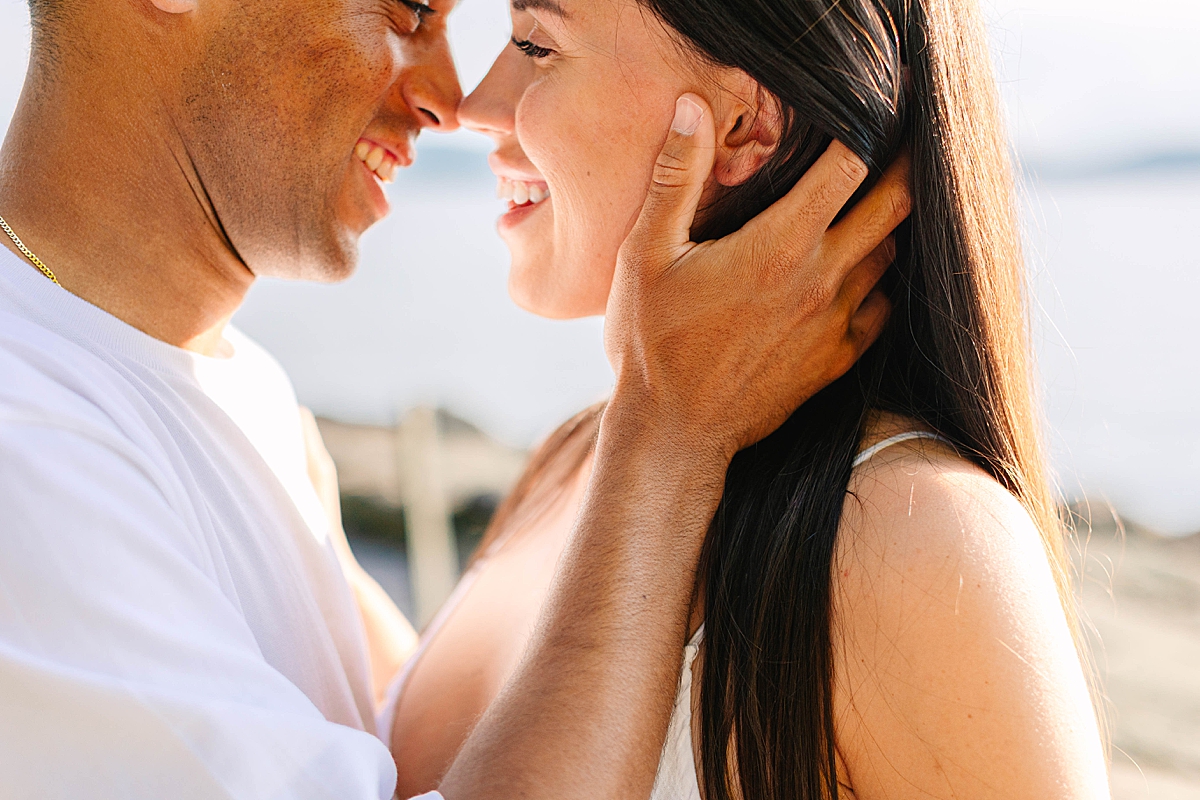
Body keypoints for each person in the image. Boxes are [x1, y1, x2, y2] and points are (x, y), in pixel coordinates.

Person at [0, 0, 908, 798]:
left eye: (531, 43)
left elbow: (395, 751)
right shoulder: (27, 449)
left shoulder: (234, 388)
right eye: (406, 12)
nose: (448, 98)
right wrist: (666, 438)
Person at [381, 0, 1112, 798]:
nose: (473, 107)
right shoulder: (570, 463)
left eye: (536, 43)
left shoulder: (918, 542)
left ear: (743, 128)